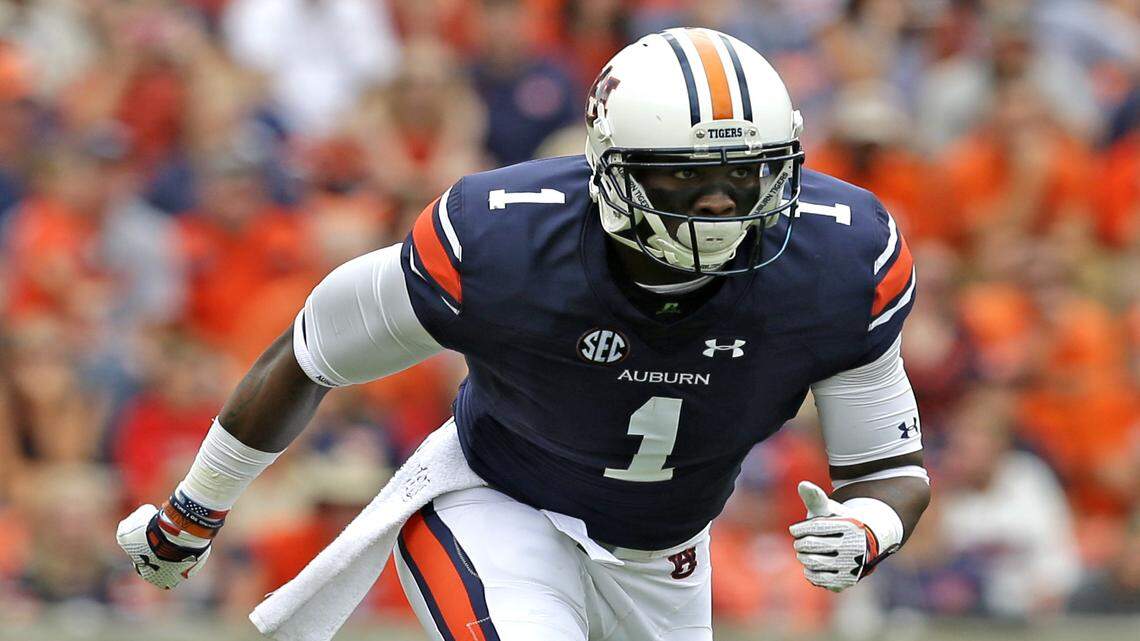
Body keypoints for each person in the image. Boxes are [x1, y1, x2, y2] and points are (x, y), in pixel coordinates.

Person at [117, 28, 930, 640]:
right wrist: (194, 509)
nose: (718, 202)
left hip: (666, 553)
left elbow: (890, 468)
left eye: (742, 174)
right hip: (499, 501)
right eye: (683, 175)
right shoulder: (501, 244)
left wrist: (869, 527)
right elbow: (311, 349)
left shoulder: (840, 261)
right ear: (610, 169)